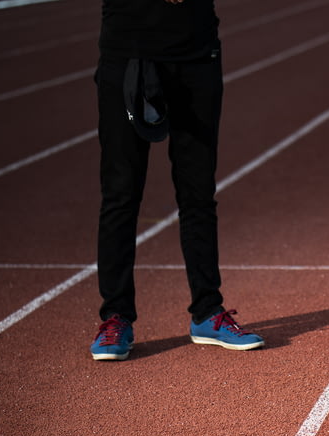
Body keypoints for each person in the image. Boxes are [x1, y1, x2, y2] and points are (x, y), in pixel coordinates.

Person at [90, 0, 263, 360]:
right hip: (128, 53)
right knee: (120, 193)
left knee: (197, 192)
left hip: (195, 56)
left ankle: (207, 312)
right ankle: (116, 318)